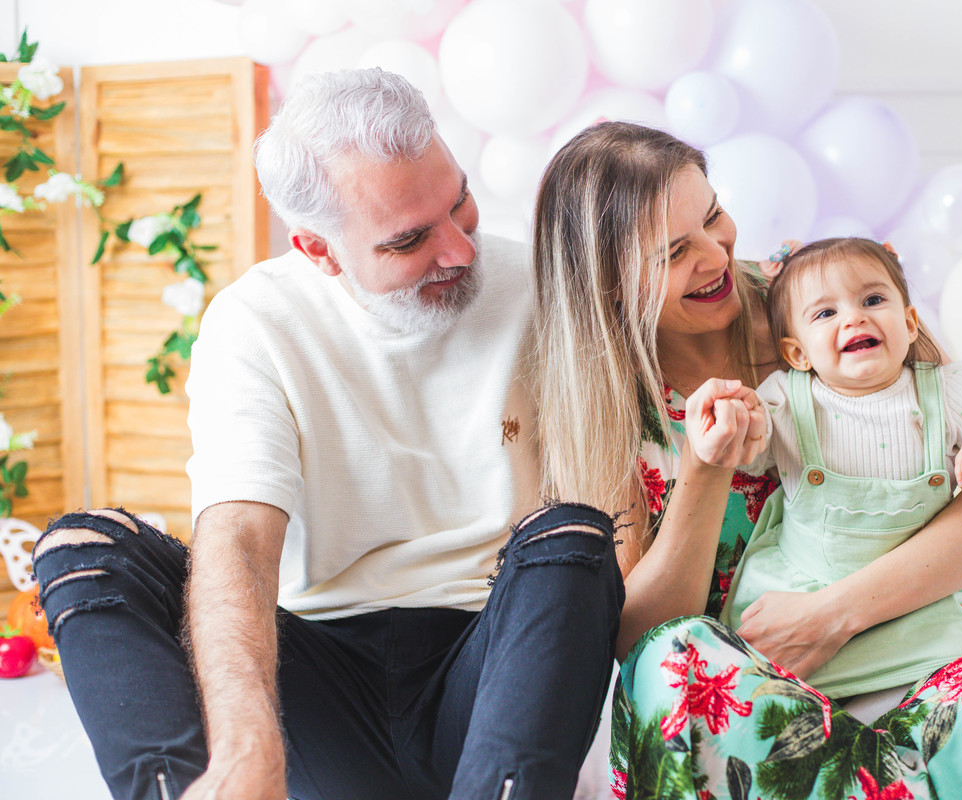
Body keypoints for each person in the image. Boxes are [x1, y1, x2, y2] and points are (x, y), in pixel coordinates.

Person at [532, 121, 962, 799]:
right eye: (675, 252)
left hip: (915, 671)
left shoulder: (824, 299)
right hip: (763, 716)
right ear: (610, 285)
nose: (717, 254)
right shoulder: (602, 409)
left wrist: (834, 615)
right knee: (670, 665)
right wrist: (706, 472)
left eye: (713, 217)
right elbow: (642, 639)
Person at [29, 69, 622, 800]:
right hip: (316, 690)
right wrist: (248, 748)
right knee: (82, 546)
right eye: (409, 239)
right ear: (319, 249)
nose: (460, 251)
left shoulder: (540, 282)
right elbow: (239, 538)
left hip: (494, 672)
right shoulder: (255, 322)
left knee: (573, 535)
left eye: (458, 203)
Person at [714, 237, 962, 706]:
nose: (854, 318)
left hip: (914, 616)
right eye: (825, 314)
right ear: (798, 354)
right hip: (802, 599)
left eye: (872, 300)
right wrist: (738, 420)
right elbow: (747, 455)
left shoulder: (943, 392)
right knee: (763, 703)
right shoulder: (786, 399)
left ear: (909, 324)